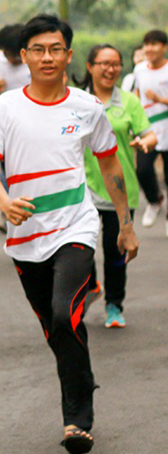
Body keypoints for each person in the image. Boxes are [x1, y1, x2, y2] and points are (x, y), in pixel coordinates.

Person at [0, 14, 138, 454]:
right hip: (25, 237)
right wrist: (3, 201)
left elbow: (108, 164)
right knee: (56, 327)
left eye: (55, 49)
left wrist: (124, 224)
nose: (47, 57)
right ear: (24, 56)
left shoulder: (87, 107)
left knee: (64, 313)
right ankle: (82, 375)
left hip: (76, 225)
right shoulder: (5, 108)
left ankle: (77, 417)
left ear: (68, 55)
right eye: (38, 49)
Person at [75, 45, 155, 328]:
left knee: (115, 250)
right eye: (104, 64)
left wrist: (146, 142)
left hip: (120, 188)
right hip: (82, 187)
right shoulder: (78, 101)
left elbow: (149, 134)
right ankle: (93, 286)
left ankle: (114, 305)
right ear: (90, 66)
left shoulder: (128, 102)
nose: (110, 69)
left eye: (116, 64)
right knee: (78, 249)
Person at [131, 29, 168, 230]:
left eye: (154, 44)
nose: (150, 49)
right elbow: (137, 92)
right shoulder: (139, 70)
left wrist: (160, 99)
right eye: (147, 44)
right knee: (143, 170)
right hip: (149, 128)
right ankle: (155, 201)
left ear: (164, 47)